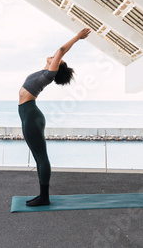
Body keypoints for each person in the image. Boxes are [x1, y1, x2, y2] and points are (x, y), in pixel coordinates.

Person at [18, 27, 91, 206]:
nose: (54, 56)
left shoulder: (49, 75)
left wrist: (77, 37)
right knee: (37, 156)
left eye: (57, 61)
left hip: (32, 116)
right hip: (28, 114)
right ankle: (42, 195)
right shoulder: (44, 72)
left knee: (41, 156)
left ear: (56, 67)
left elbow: (60, 51)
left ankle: (44, 197)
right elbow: (55, 55)